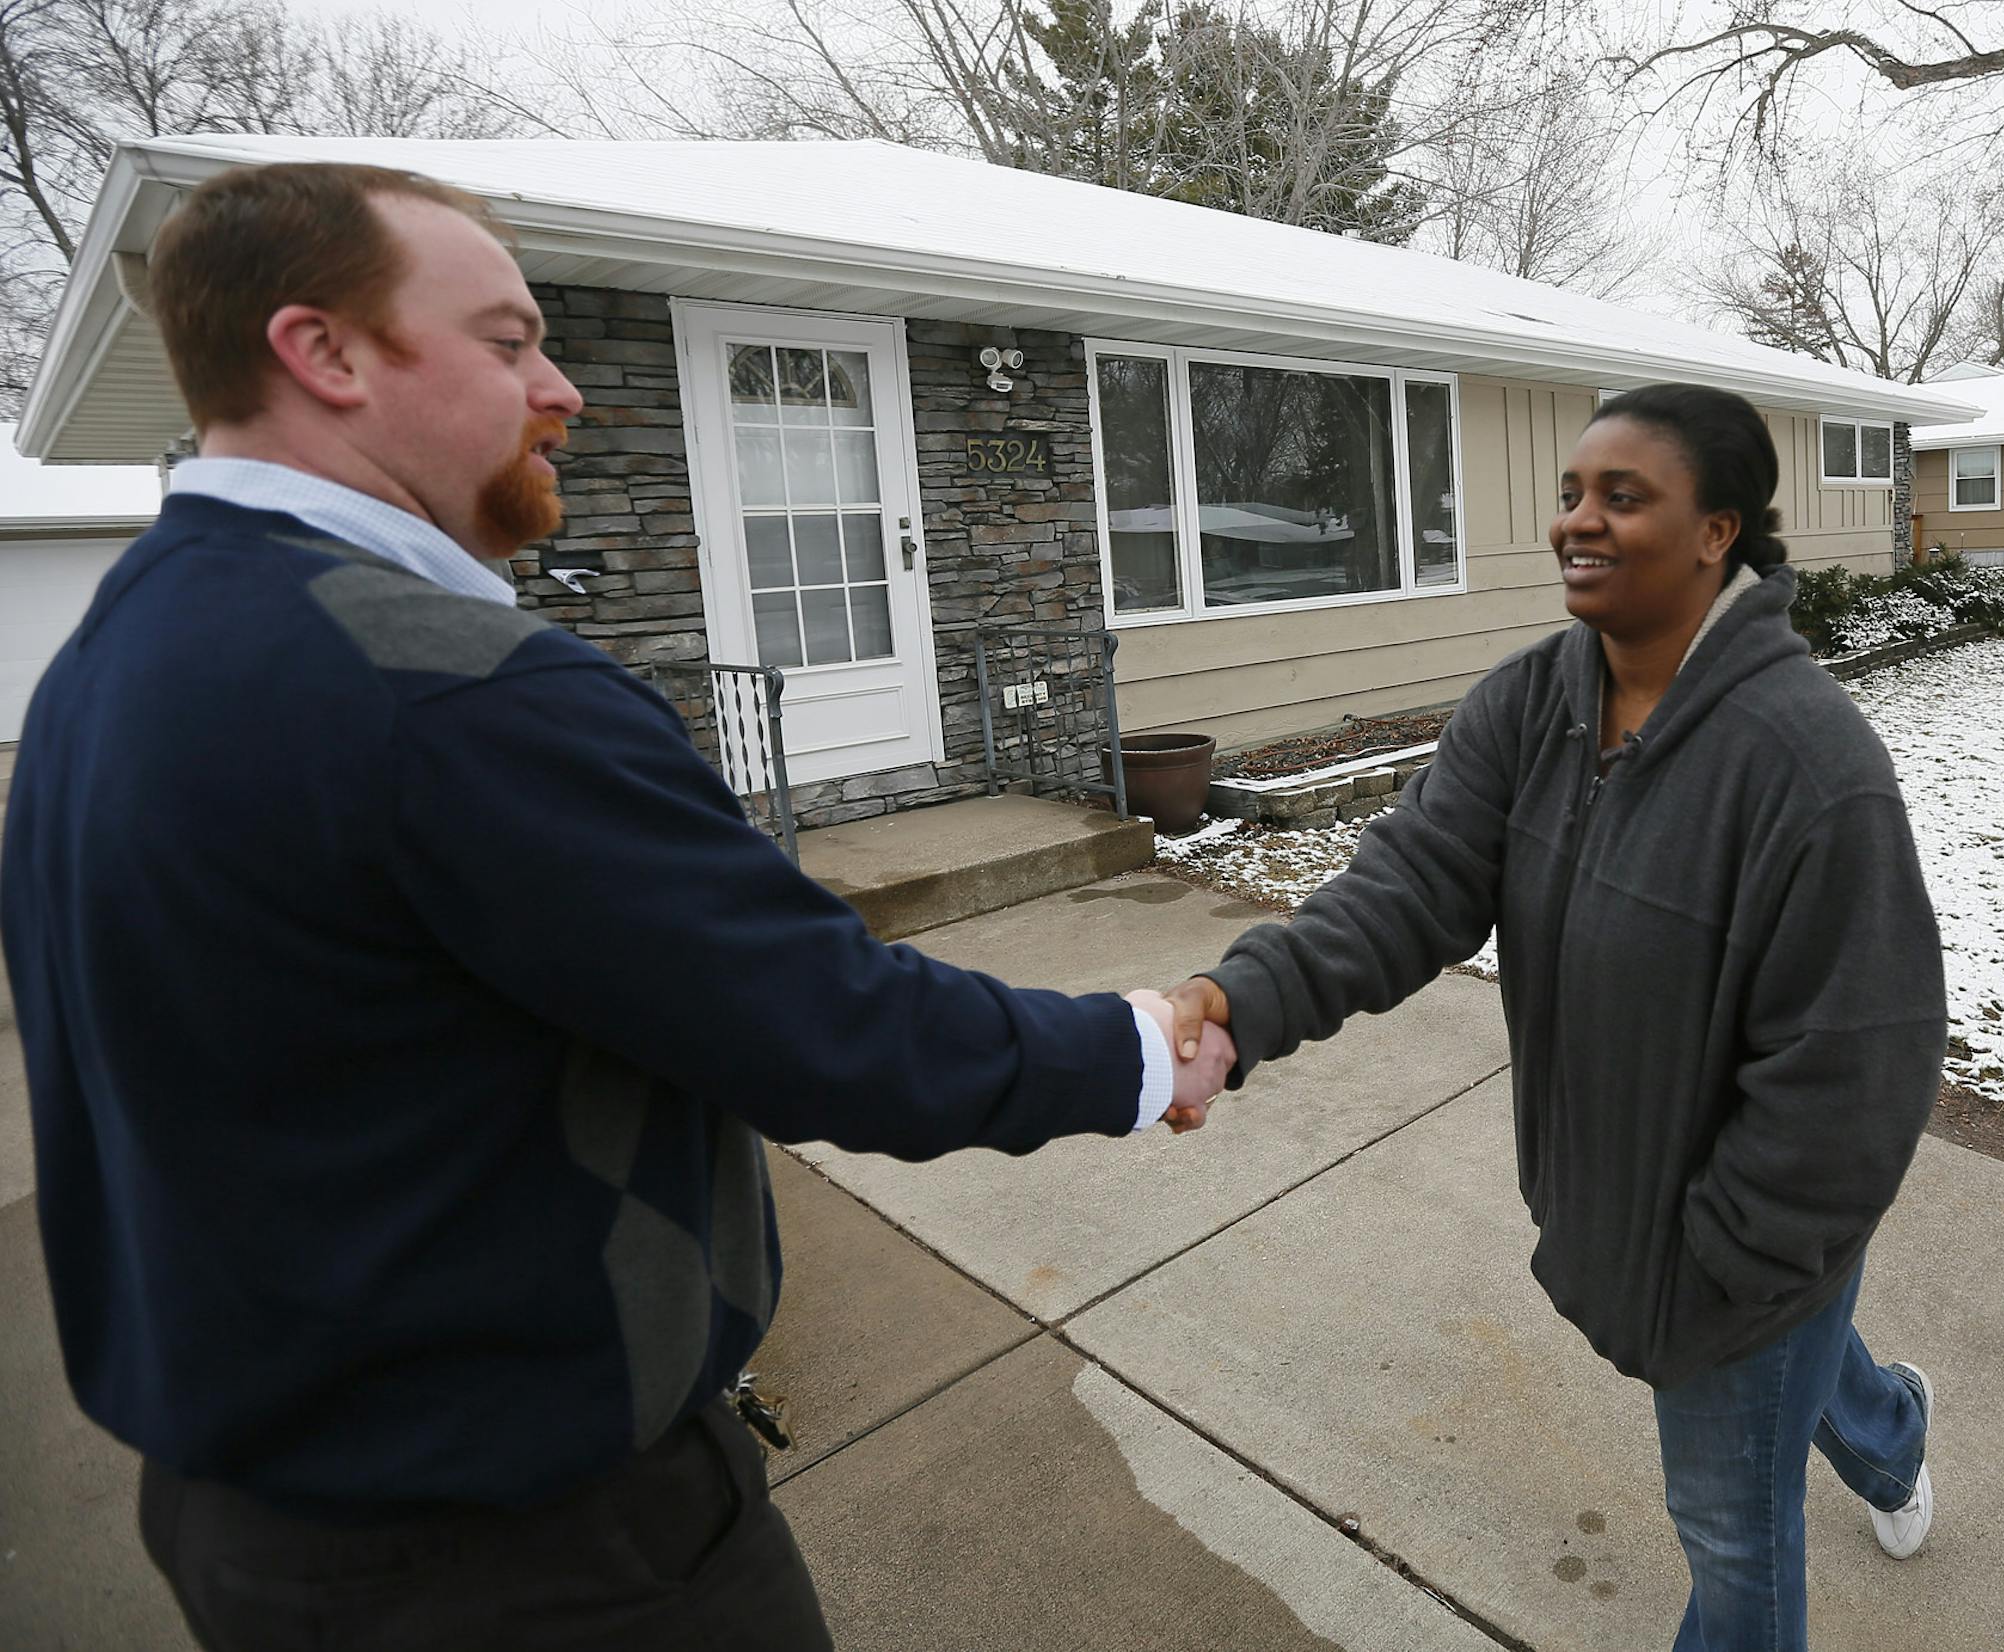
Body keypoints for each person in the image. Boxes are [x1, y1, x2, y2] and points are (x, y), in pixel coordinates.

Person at [0, 161, 1232, 1652]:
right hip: (529, 1562)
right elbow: (818, 1020)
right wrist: (1142, 1049)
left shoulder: (112, 658)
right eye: (510, 340)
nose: (564, 389)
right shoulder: (442, 691)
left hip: (254, 1511)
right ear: (321, 355)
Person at [1163, 384, 1947, 1651]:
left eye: (1622, 496)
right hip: (1633, 1210)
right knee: (1800, 1370)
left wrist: (1726, 1263)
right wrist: (1240, 1002)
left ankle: (1841, 1391)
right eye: (1574, 493)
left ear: (1716, 532)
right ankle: (1893, 1429)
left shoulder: (1809, 764)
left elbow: (1858, 1072)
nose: (1579, 519)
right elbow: (1413, 879)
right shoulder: (1534, 703)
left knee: (1736, 1535)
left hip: (1734, 1250)